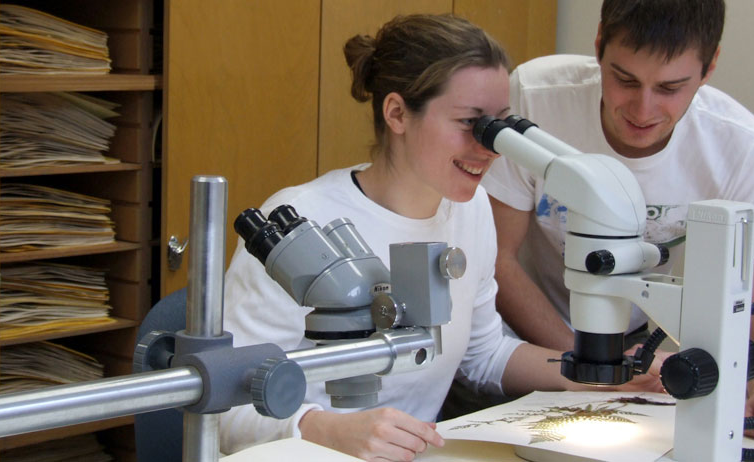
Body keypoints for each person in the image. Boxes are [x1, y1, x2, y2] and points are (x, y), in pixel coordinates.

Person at [218, 14, 664, 461]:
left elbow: (484, 353)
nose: (490, 147)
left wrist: (598, 373)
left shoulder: (471, 212)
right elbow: (225, 400)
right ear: (397, 113)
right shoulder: (298, 222)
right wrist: (325, 428)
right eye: (471, 123)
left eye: (501, 125)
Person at [480, 0, 754, 439]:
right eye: (624, 79)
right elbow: (497, 259)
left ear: (709, 68)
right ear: (598, 47)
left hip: (631, 342)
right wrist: (591, 361)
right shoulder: (534, 98)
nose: (642, 109)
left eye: (670, 88)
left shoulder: (742, 150)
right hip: (523, 338)